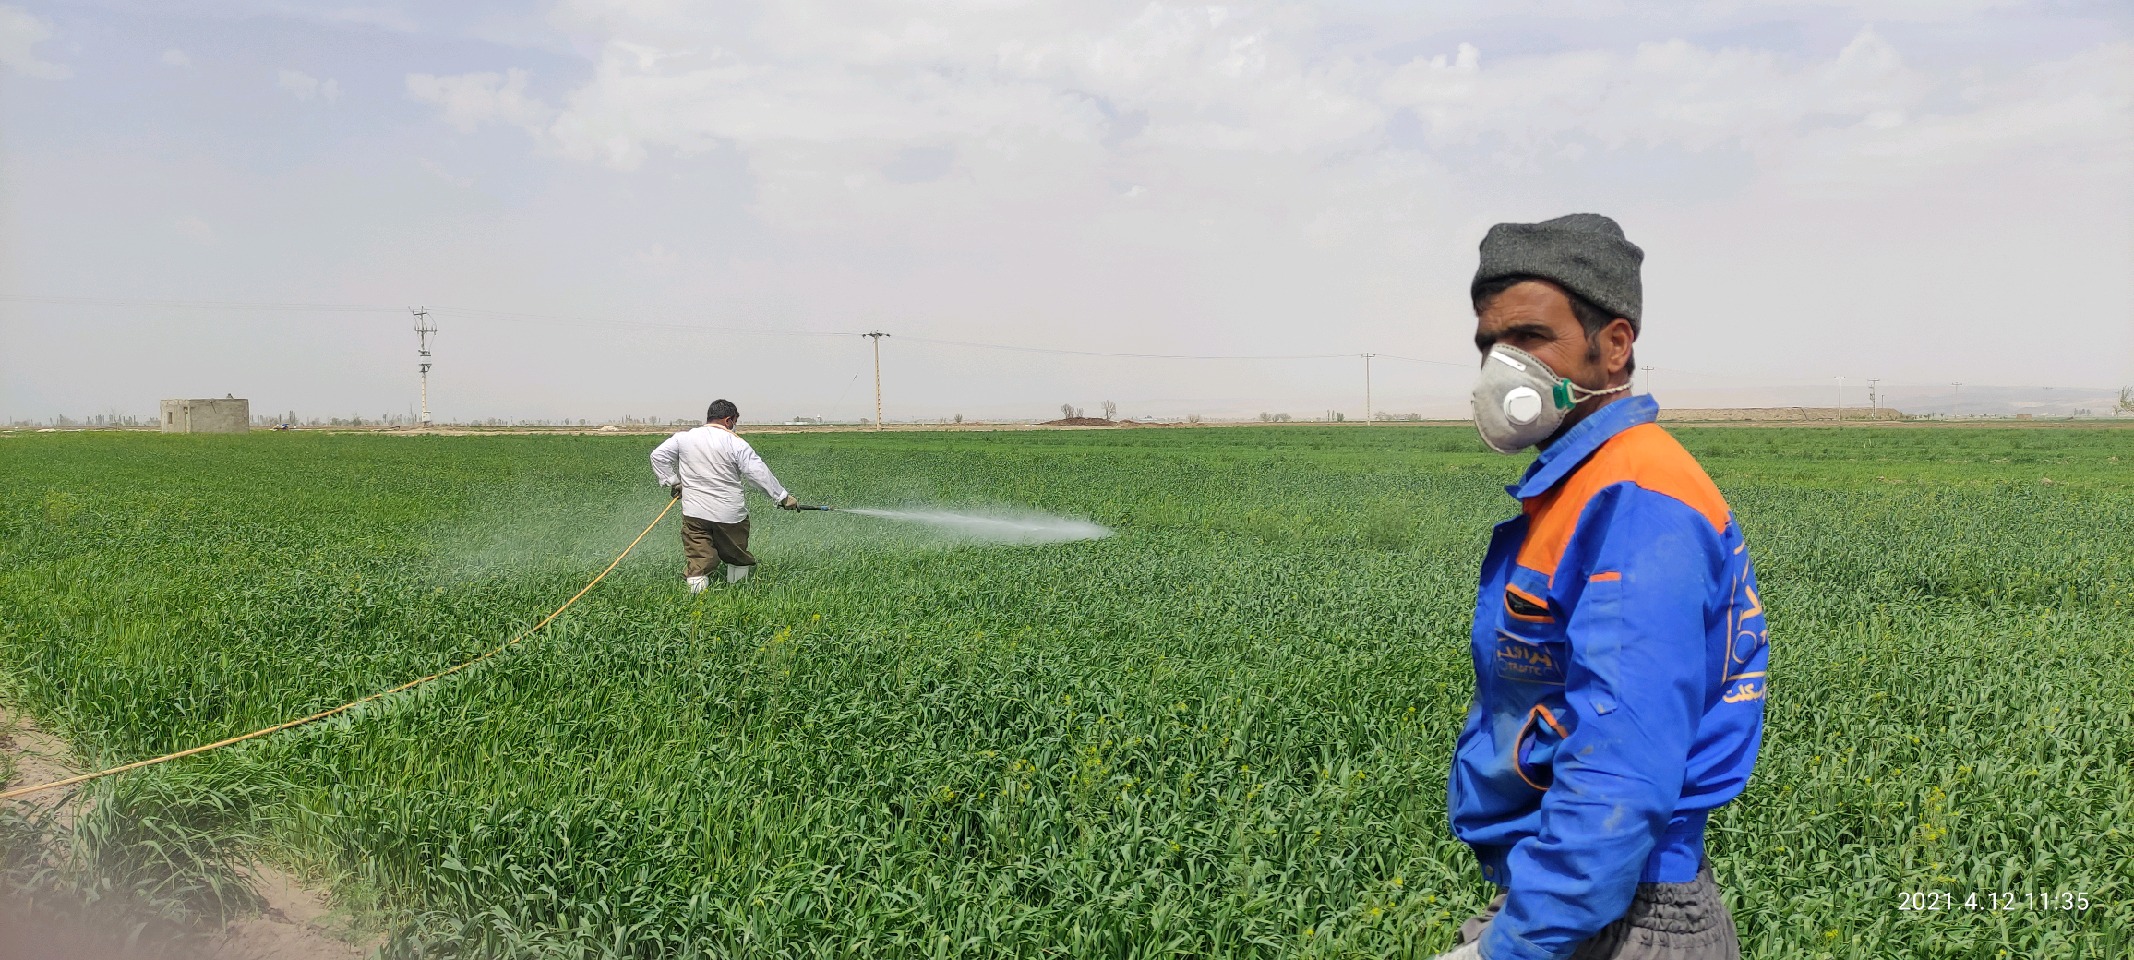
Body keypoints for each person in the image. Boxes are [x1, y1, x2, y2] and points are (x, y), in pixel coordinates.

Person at [1434, 214, 1769, 960]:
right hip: (1580, 893)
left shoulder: (1636, 496)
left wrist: (1510, 949)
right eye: (1489, 343)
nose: (1500, 365)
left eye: (1528, 338)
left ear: (1614, 346)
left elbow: (1620, 772)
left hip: (1625, 914)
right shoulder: (1588, 487)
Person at [649, 399, 802, 592]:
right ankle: (737, 594)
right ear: (728, 420)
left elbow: (658, 456)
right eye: (735, 422)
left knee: (699, 561)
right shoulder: (735, 442)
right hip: (729, 514)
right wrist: (782, 497)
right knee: (737, 556)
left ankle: (697, 603)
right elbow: (757, 472)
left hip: (694, 514)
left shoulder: (683, 438)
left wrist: (673, 482)